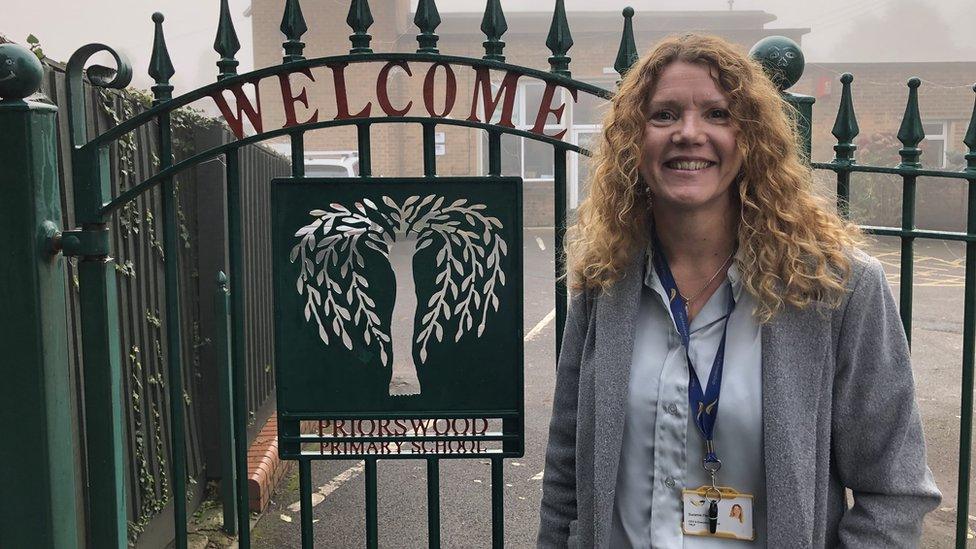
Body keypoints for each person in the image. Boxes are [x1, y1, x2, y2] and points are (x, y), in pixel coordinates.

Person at [537, 34, 940, 548]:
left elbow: (896, 493)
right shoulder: (605, 281)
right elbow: (567, 474)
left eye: (717, 114)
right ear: (632, 142)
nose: (689, 133)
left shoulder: (838, 289)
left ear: (751, 137)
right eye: (663, 115)